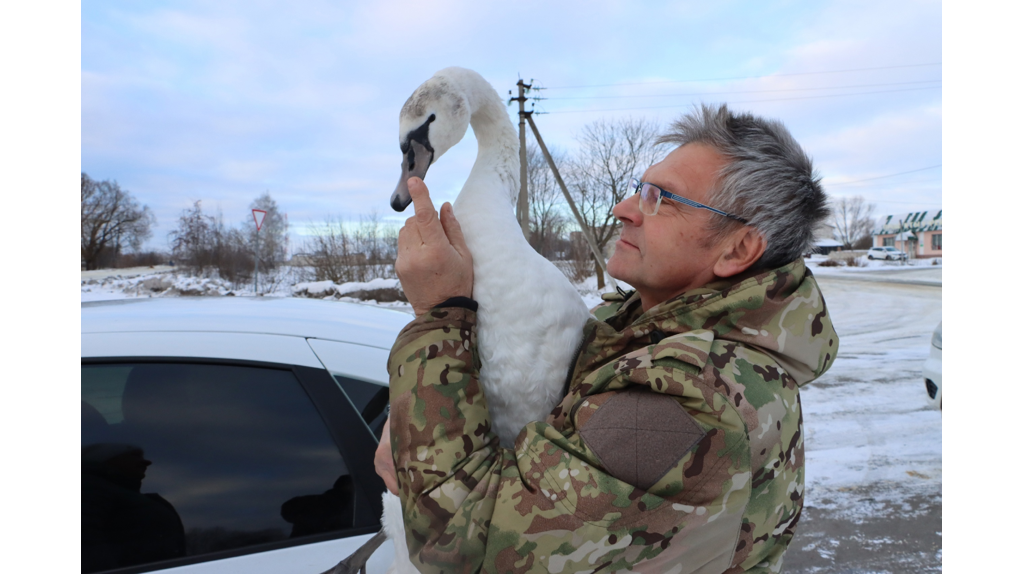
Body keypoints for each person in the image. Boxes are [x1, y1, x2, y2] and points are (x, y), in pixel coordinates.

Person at [376, 103, 838, 573]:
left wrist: (438, 315)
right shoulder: (638, 333)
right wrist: (412, 424)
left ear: (737, 249)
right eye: (642, 188)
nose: (624, 209)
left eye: (663, 198)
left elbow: (467, 547)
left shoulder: (692, 400)